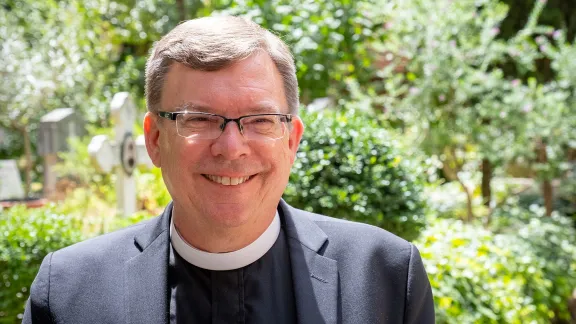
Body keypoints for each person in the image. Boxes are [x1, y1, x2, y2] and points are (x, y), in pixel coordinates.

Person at [23, 16, 434, 323]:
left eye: (260, 119)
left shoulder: (388, 277)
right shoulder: (67, 292)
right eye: (198, 119)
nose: (231, 147)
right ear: (154, 140)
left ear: (291, 141)